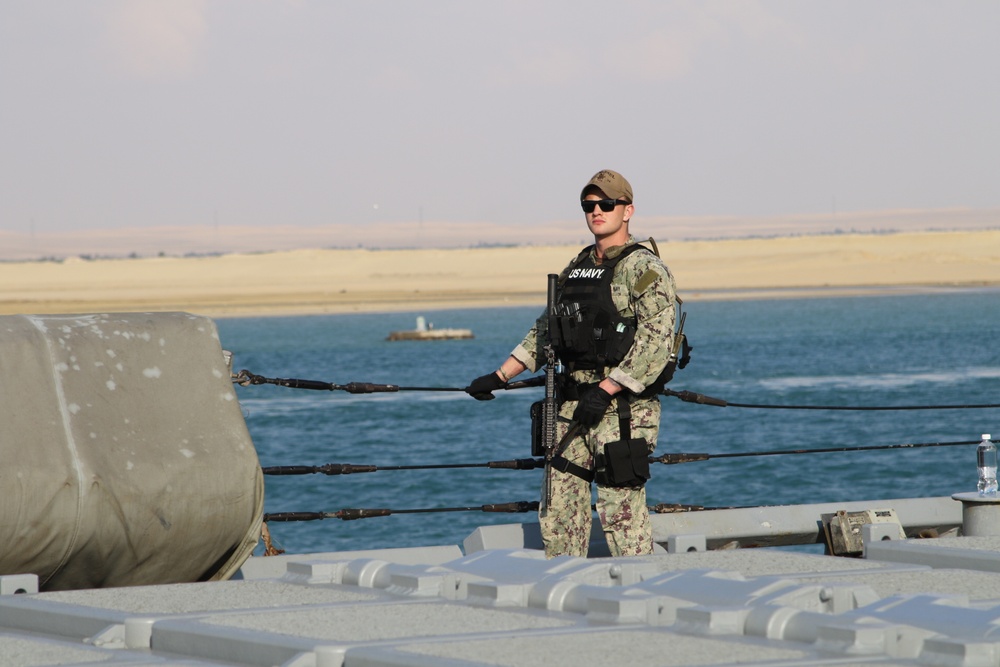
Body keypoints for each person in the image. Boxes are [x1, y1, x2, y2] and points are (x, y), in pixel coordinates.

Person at [466, 169, 678, 558]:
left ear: (627, 210)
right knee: (558, 510)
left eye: (607, 204)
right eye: (589, 205)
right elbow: (547, 329)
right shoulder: (577, 267)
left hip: (623, 409)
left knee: (620, 512)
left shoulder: (645, 269)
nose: (597, 211)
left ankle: (640, 594)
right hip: (571, 406)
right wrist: (499, 376)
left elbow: (656, 343)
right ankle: (567, 591)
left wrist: (608, 388)